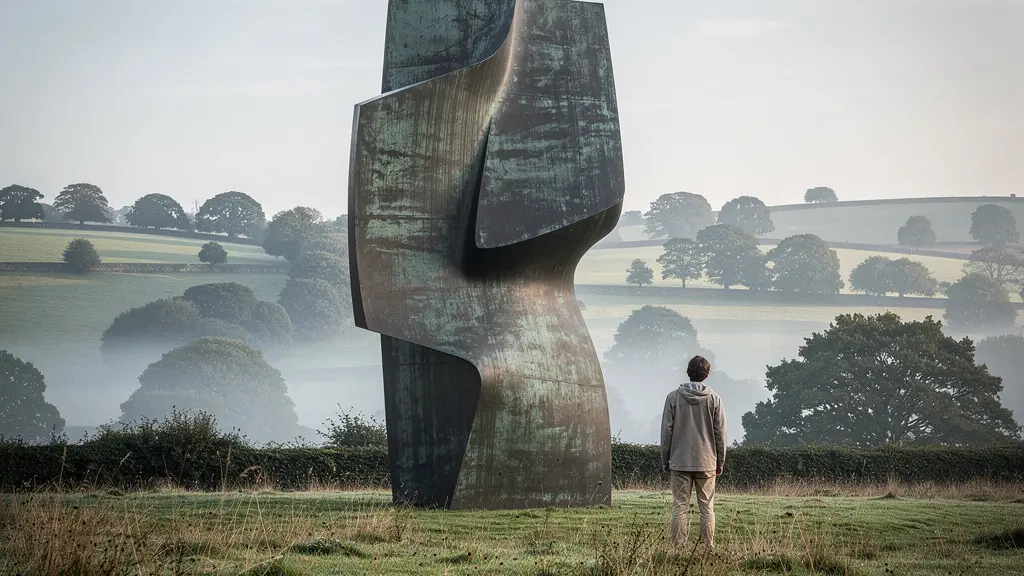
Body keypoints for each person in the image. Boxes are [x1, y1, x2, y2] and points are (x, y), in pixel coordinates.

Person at [661, 355, 727, 549]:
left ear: (688, 372)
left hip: (679, 460)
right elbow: (720, 434)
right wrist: (720, 461)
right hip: (707, 461)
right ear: (706, 374)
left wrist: (666, 460)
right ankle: (708, 547)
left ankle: (678, 548)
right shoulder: (715, 399)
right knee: (707, 508)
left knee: (679, 507)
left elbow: (666, 432)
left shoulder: (673, 397)